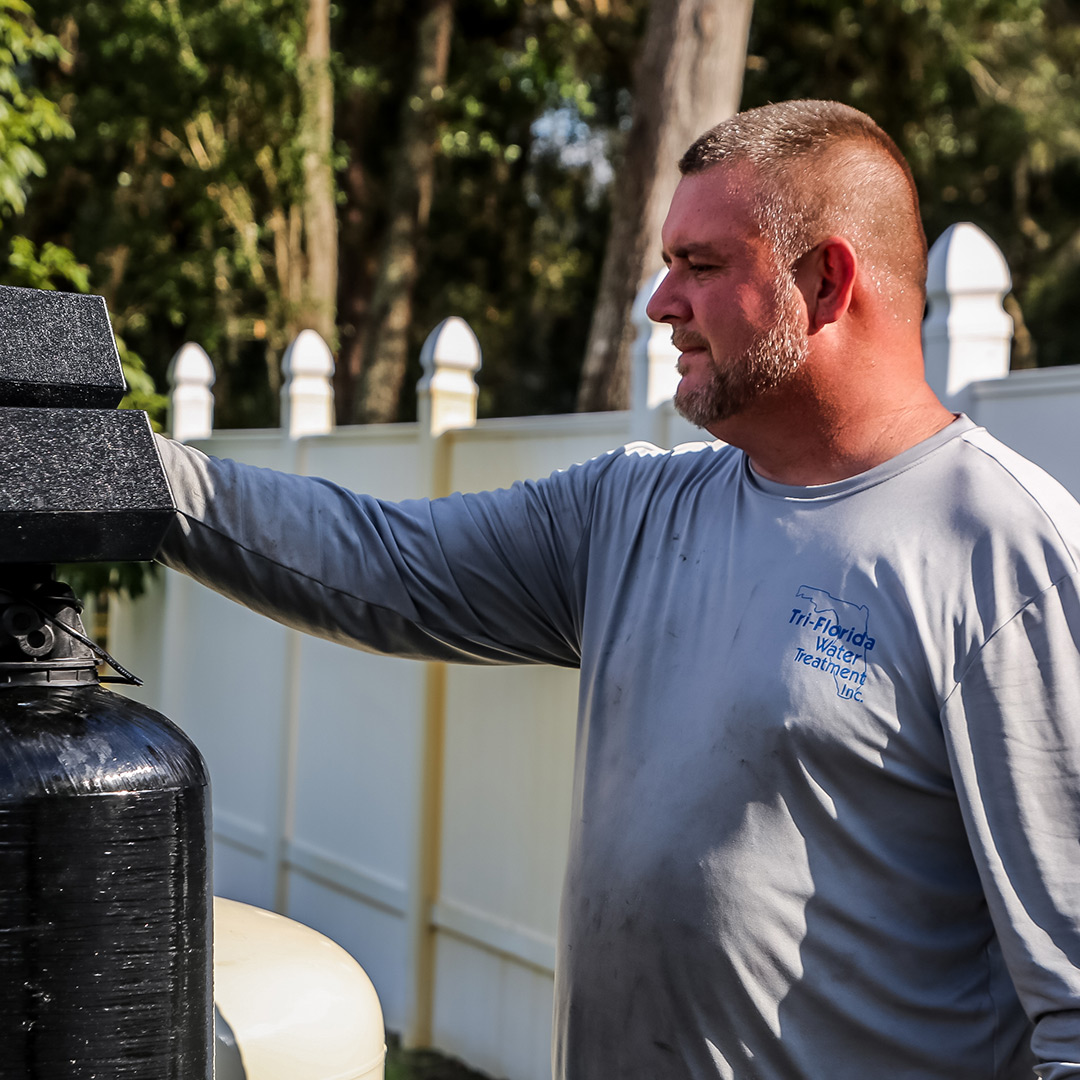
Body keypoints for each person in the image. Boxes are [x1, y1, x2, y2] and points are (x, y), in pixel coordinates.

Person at [156, 100, 1080, 1078]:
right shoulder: (631, 512)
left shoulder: (1002, 550)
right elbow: (376, 559)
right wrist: (124, 478)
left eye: (702, 264)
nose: (659, 304)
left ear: (826, 280)